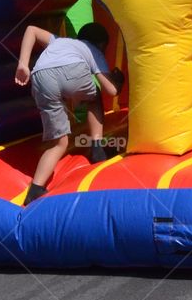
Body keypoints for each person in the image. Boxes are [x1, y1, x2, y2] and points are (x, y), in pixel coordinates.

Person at [14, 22, 125, 205]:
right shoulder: (93, 50)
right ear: (101, 45)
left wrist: (23, 64)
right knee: (94, 95)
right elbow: (111, 90)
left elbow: (31, 29)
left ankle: (35, 189)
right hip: (72, 70)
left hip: (40, 76)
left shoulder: (60, 41)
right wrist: (119, 80)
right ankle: (97, 147)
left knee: (60, 143)